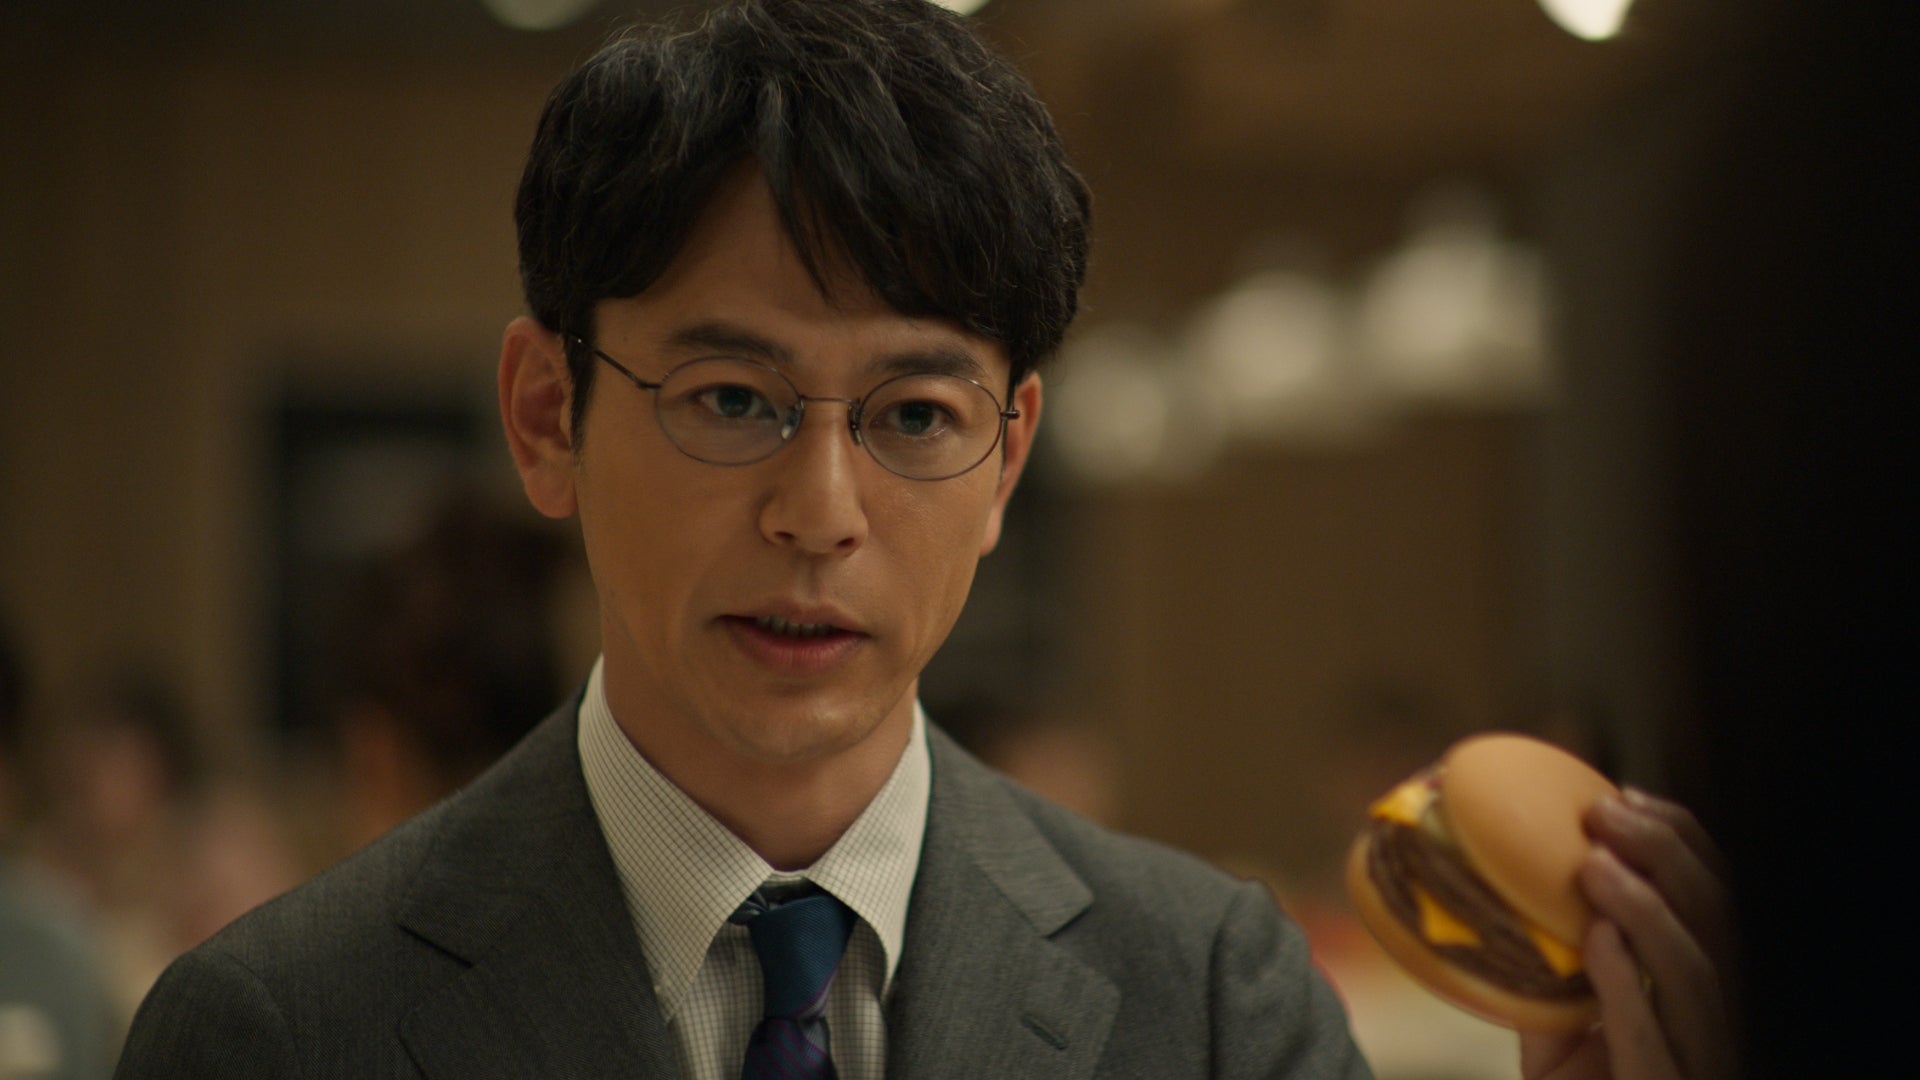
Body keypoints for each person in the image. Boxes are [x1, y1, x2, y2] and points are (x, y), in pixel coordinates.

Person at [113, 2, 1734, 1078]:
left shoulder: (1213, 1000)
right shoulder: (278, 1031)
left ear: (1008, 453)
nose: (820, 511)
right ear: (548, 415)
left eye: (911, 417)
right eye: (732, 398)